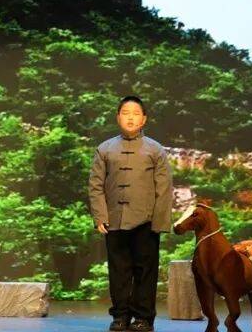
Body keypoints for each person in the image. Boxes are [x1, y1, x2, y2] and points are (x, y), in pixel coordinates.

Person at [88, 95, 174, 332]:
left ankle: (144, 318)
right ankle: (120, 316)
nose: (130, 118)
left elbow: (164, 188)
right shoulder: (104, 149)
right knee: (118, 272)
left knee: (145, 272)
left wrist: (160, 222)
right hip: (114, 219)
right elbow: (95, 185)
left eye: (136, 114)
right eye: (125, 113)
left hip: (146, 221)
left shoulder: (155, 149)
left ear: (144, 119)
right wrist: (100, 216)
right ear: (118, 117)